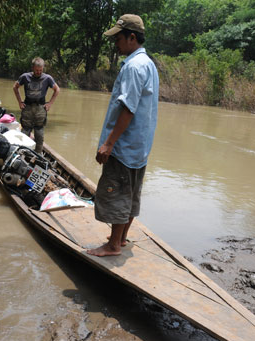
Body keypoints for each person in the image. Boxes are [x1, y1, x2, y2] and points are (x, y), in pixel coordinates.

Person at [87, 14, 159, 257]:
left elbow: (129, 108)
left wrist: (109, 143)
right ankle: (122, 237)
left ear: (131, 37)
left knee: (116, 192)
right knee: (131, 193)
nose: (115, 44)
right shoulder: (148, 63)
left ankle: (113, 246)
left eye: (118, 38)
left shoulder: (133, 66)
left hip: (125, 147)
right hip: (139, 147)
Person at [13, 57, 60, 154]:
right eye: (37, 70)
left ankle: (38, 155)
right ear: (32, 68)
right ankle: (22, 153)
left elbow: (57, 90)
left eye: (41, 70)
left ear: (43, 68)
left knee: (39, 134)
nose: (39, 72)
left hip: (40, 109)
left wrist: (49, 104)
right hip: (27, 108)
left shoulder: (47, 78)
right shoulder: (25, 77)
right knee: (25, 133)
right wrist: (20, 102)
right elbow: (15, 87)